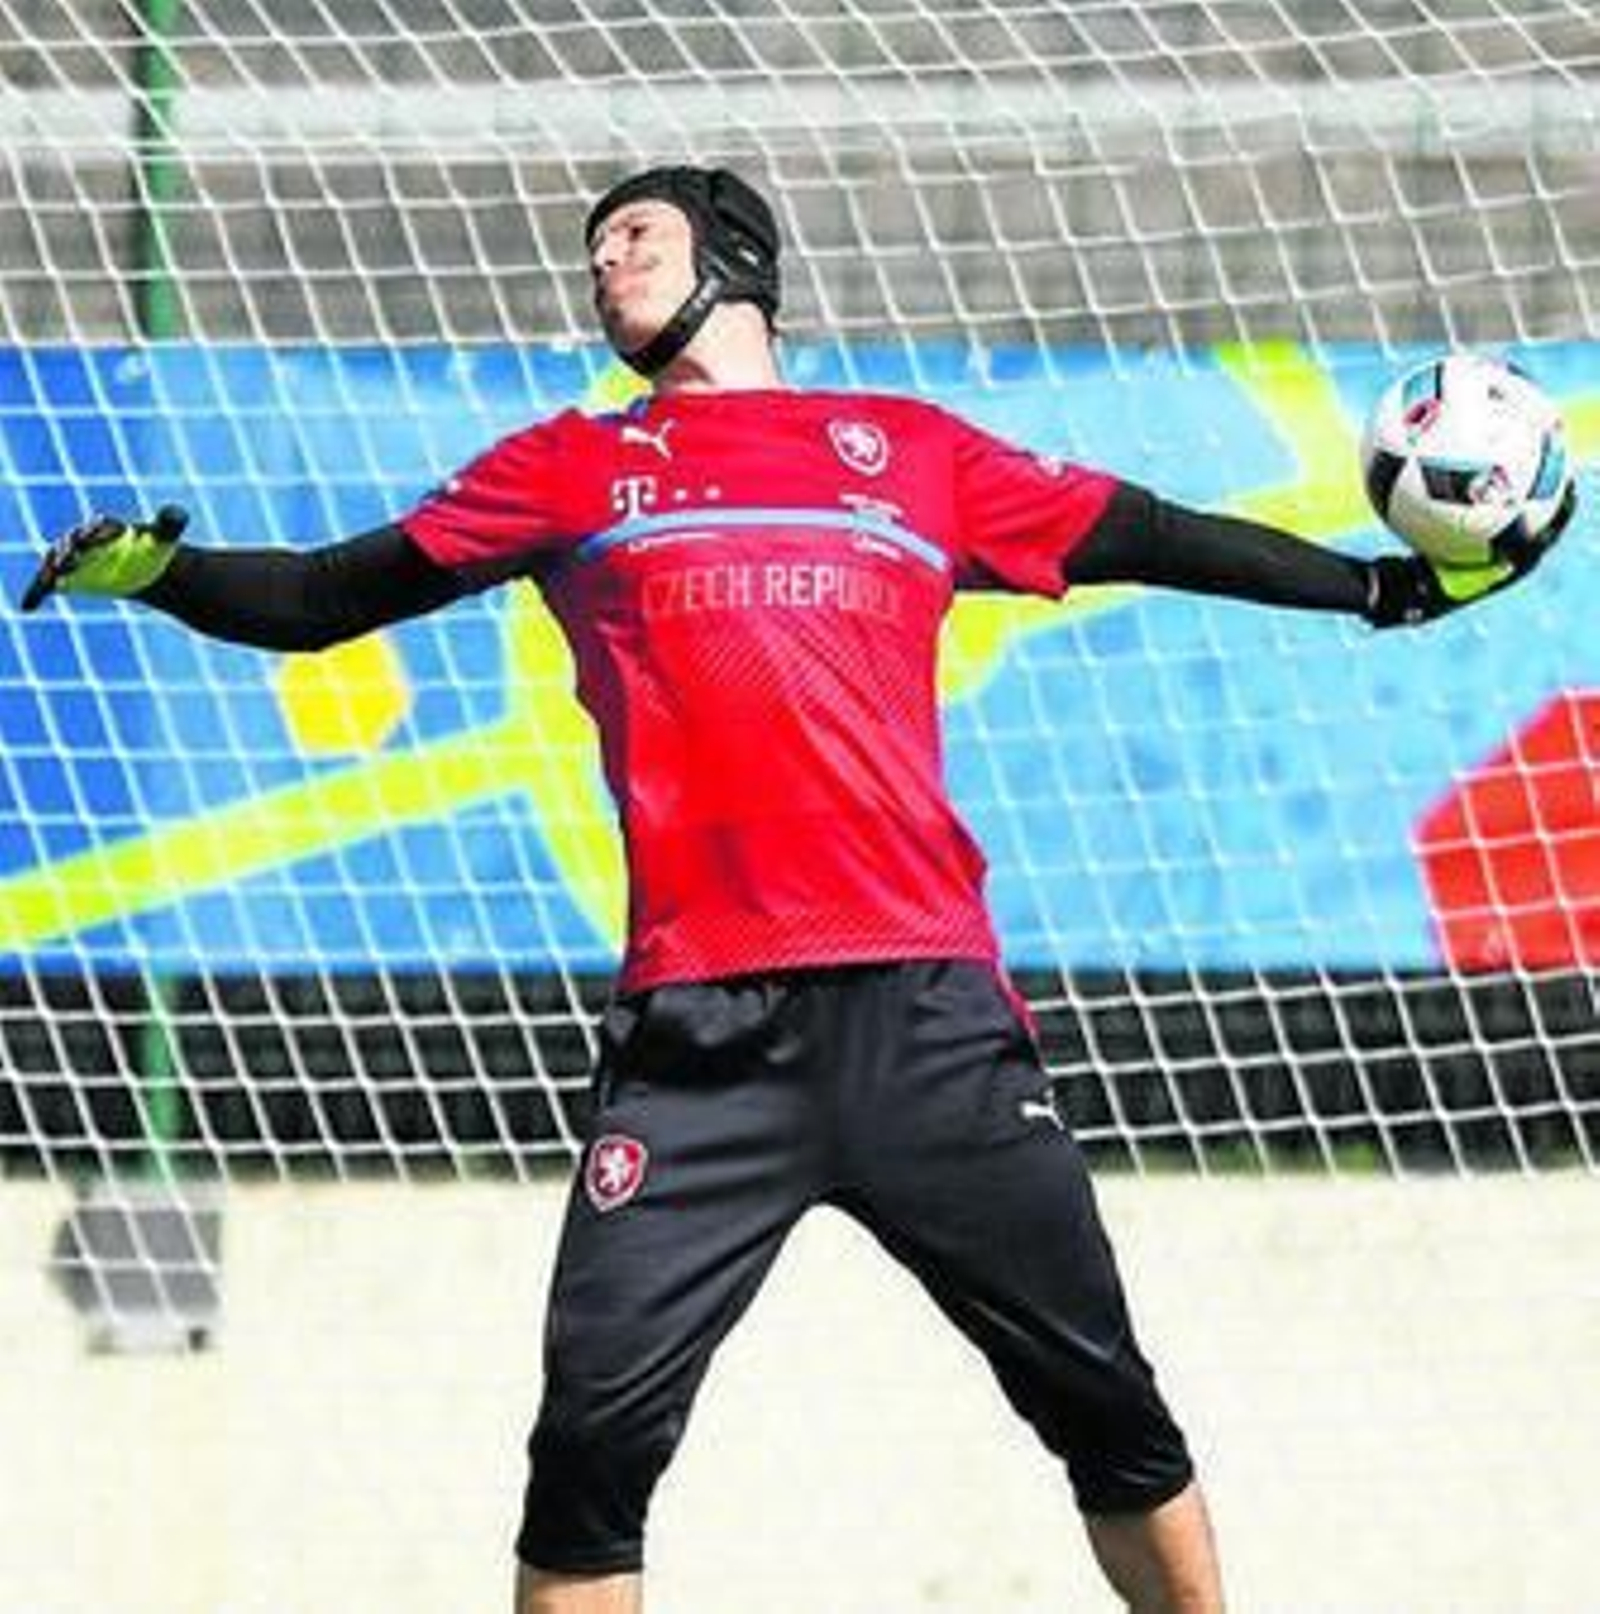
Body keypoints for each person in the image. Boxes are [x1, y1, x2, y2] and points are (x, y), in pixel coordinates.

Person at [21, 165, 1573, 1614]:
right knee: (585, 1462)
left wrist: (1375, 587)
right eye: (595, 249)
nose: (605, 259)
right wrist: (161, 573)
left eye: (637, 233)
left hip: (927, 1013)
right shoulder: (572, 466)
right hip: (698, 1042)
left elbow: (1148, 535)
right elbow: (321, 598)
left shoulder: (908, 451)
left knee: (1106, 1403)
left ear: (735, 261)